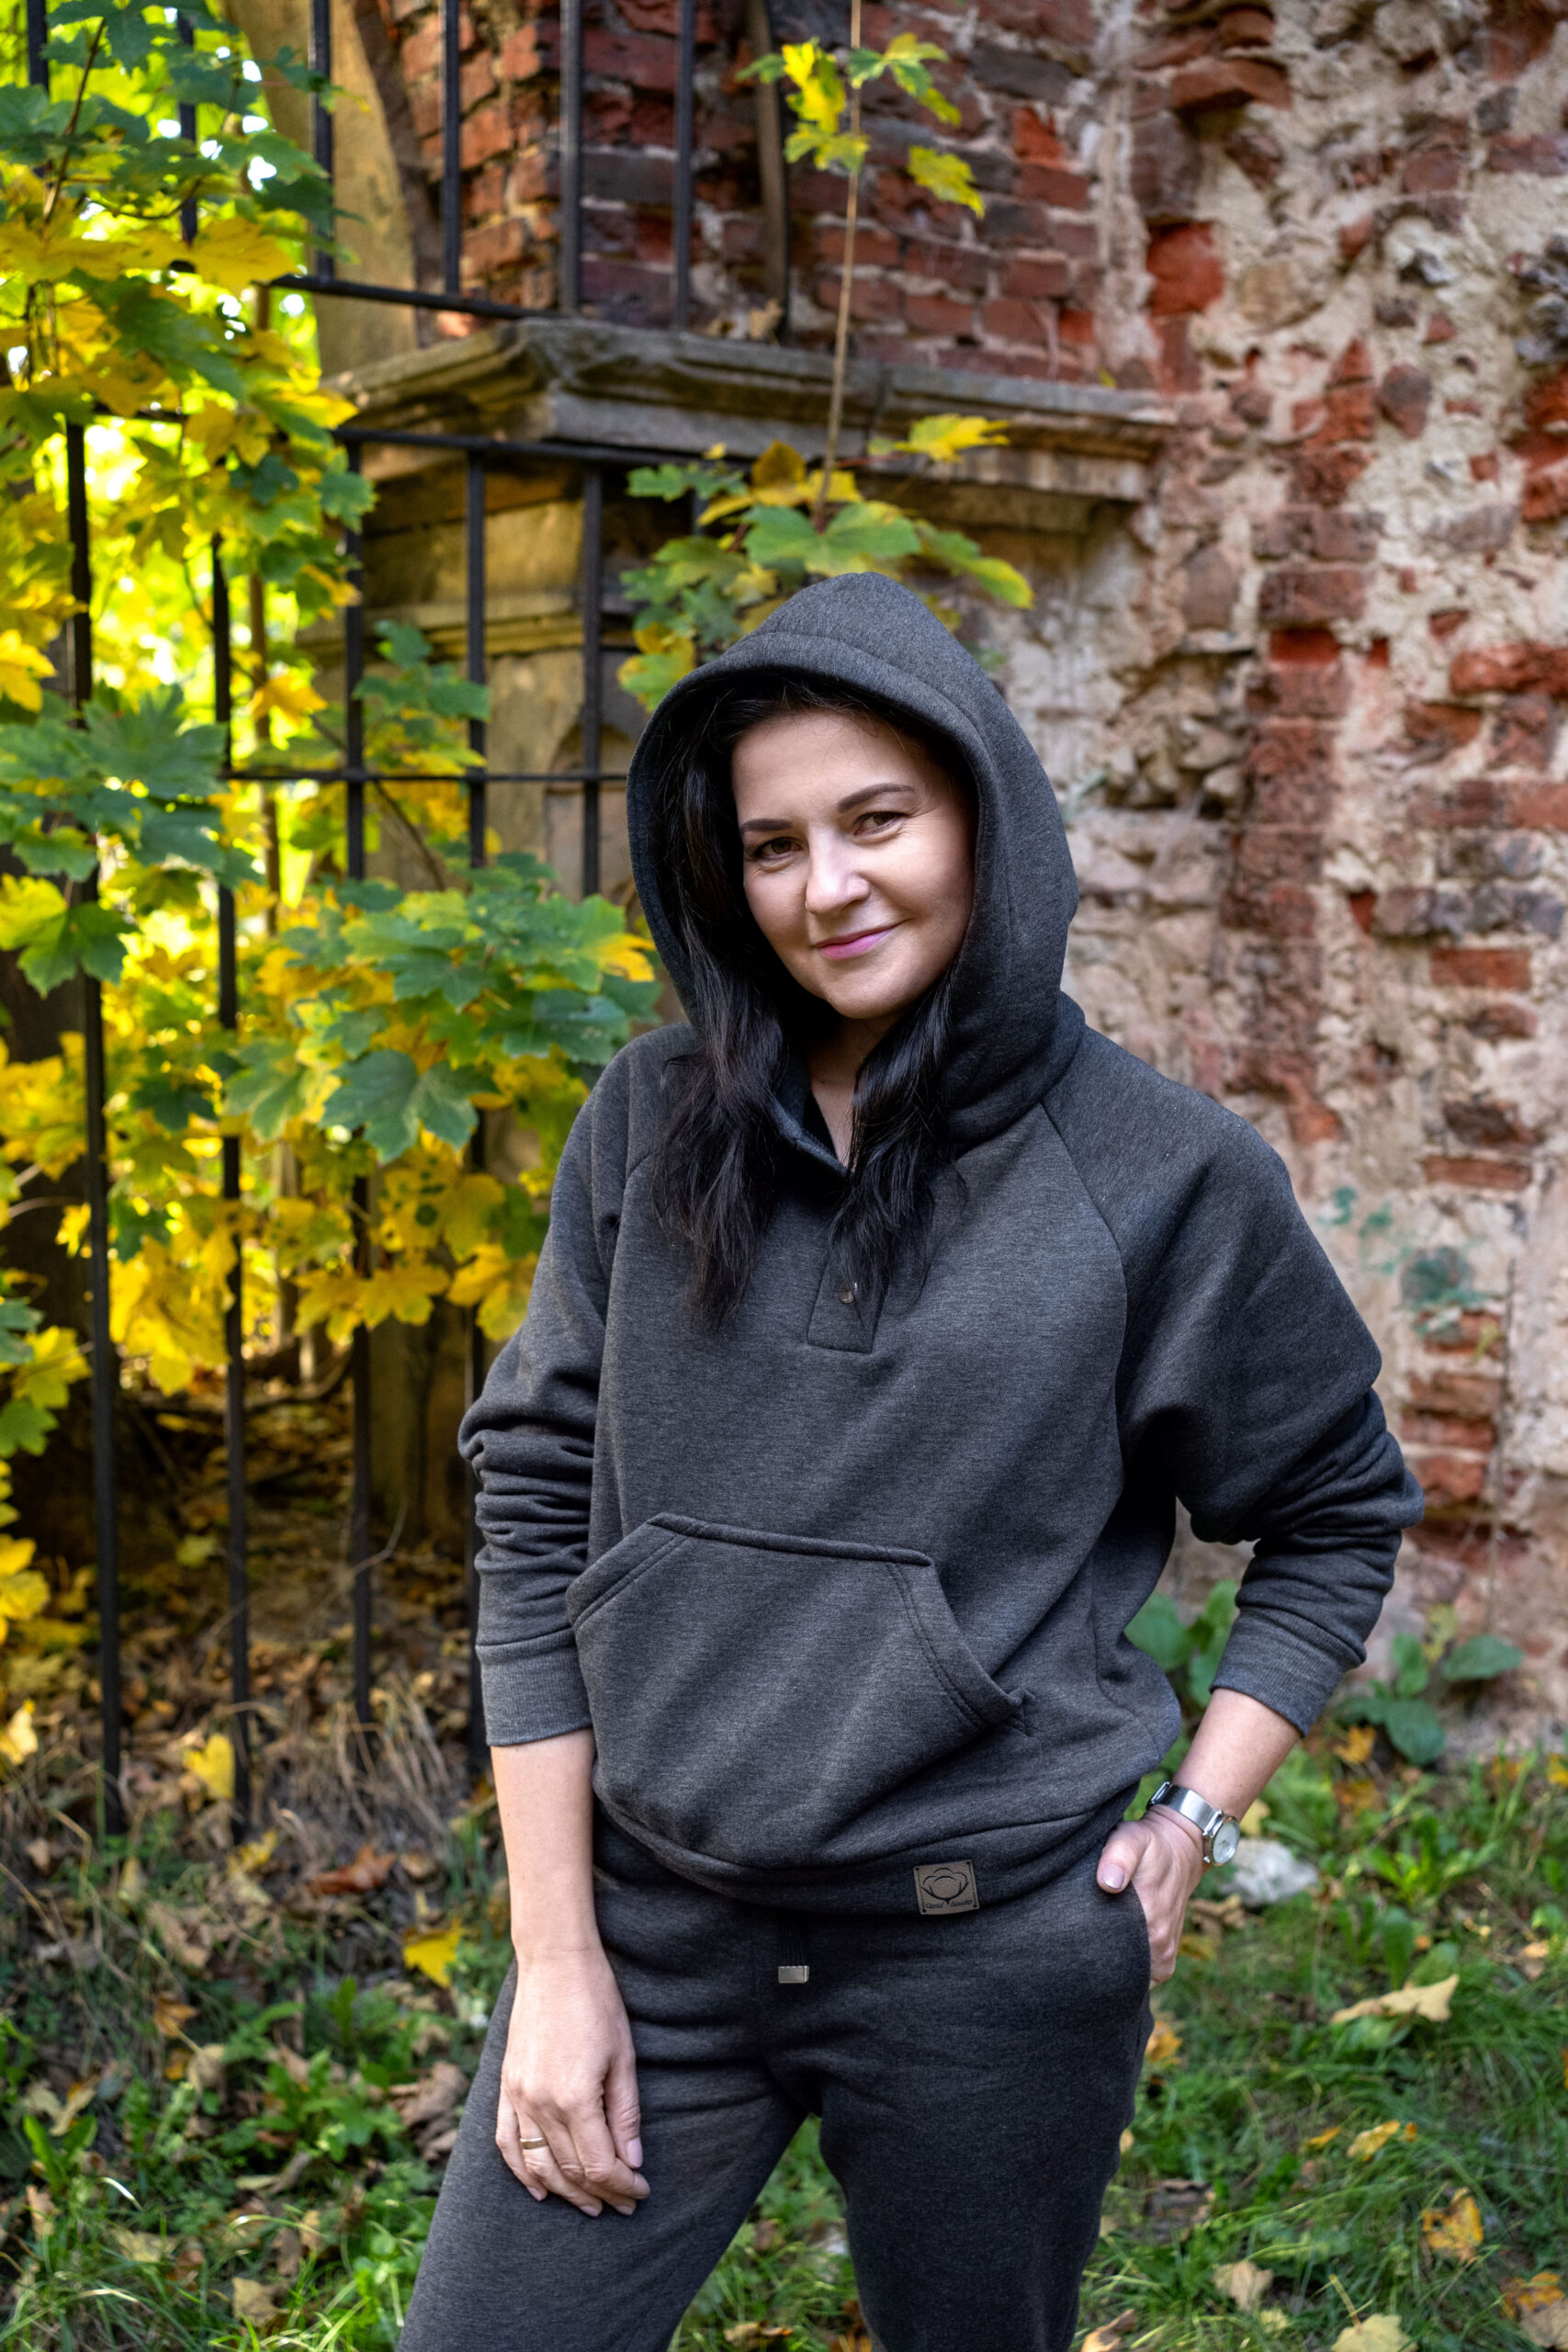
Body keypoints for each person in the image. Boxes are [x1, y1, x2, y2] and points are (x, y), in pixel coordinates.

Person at [400, 573, 1422, 2352]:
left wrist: (1193, 1816)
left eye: (876, 820)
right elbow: (536, 1506)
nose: (826, 888)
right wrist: (557, 1955)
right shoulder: (647, 1125)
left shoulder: (1162, 1176)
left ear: (983, 819)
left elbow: (1336, 1513)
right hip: (653, 1928)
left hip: (988, 1958)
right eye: (772, 845)